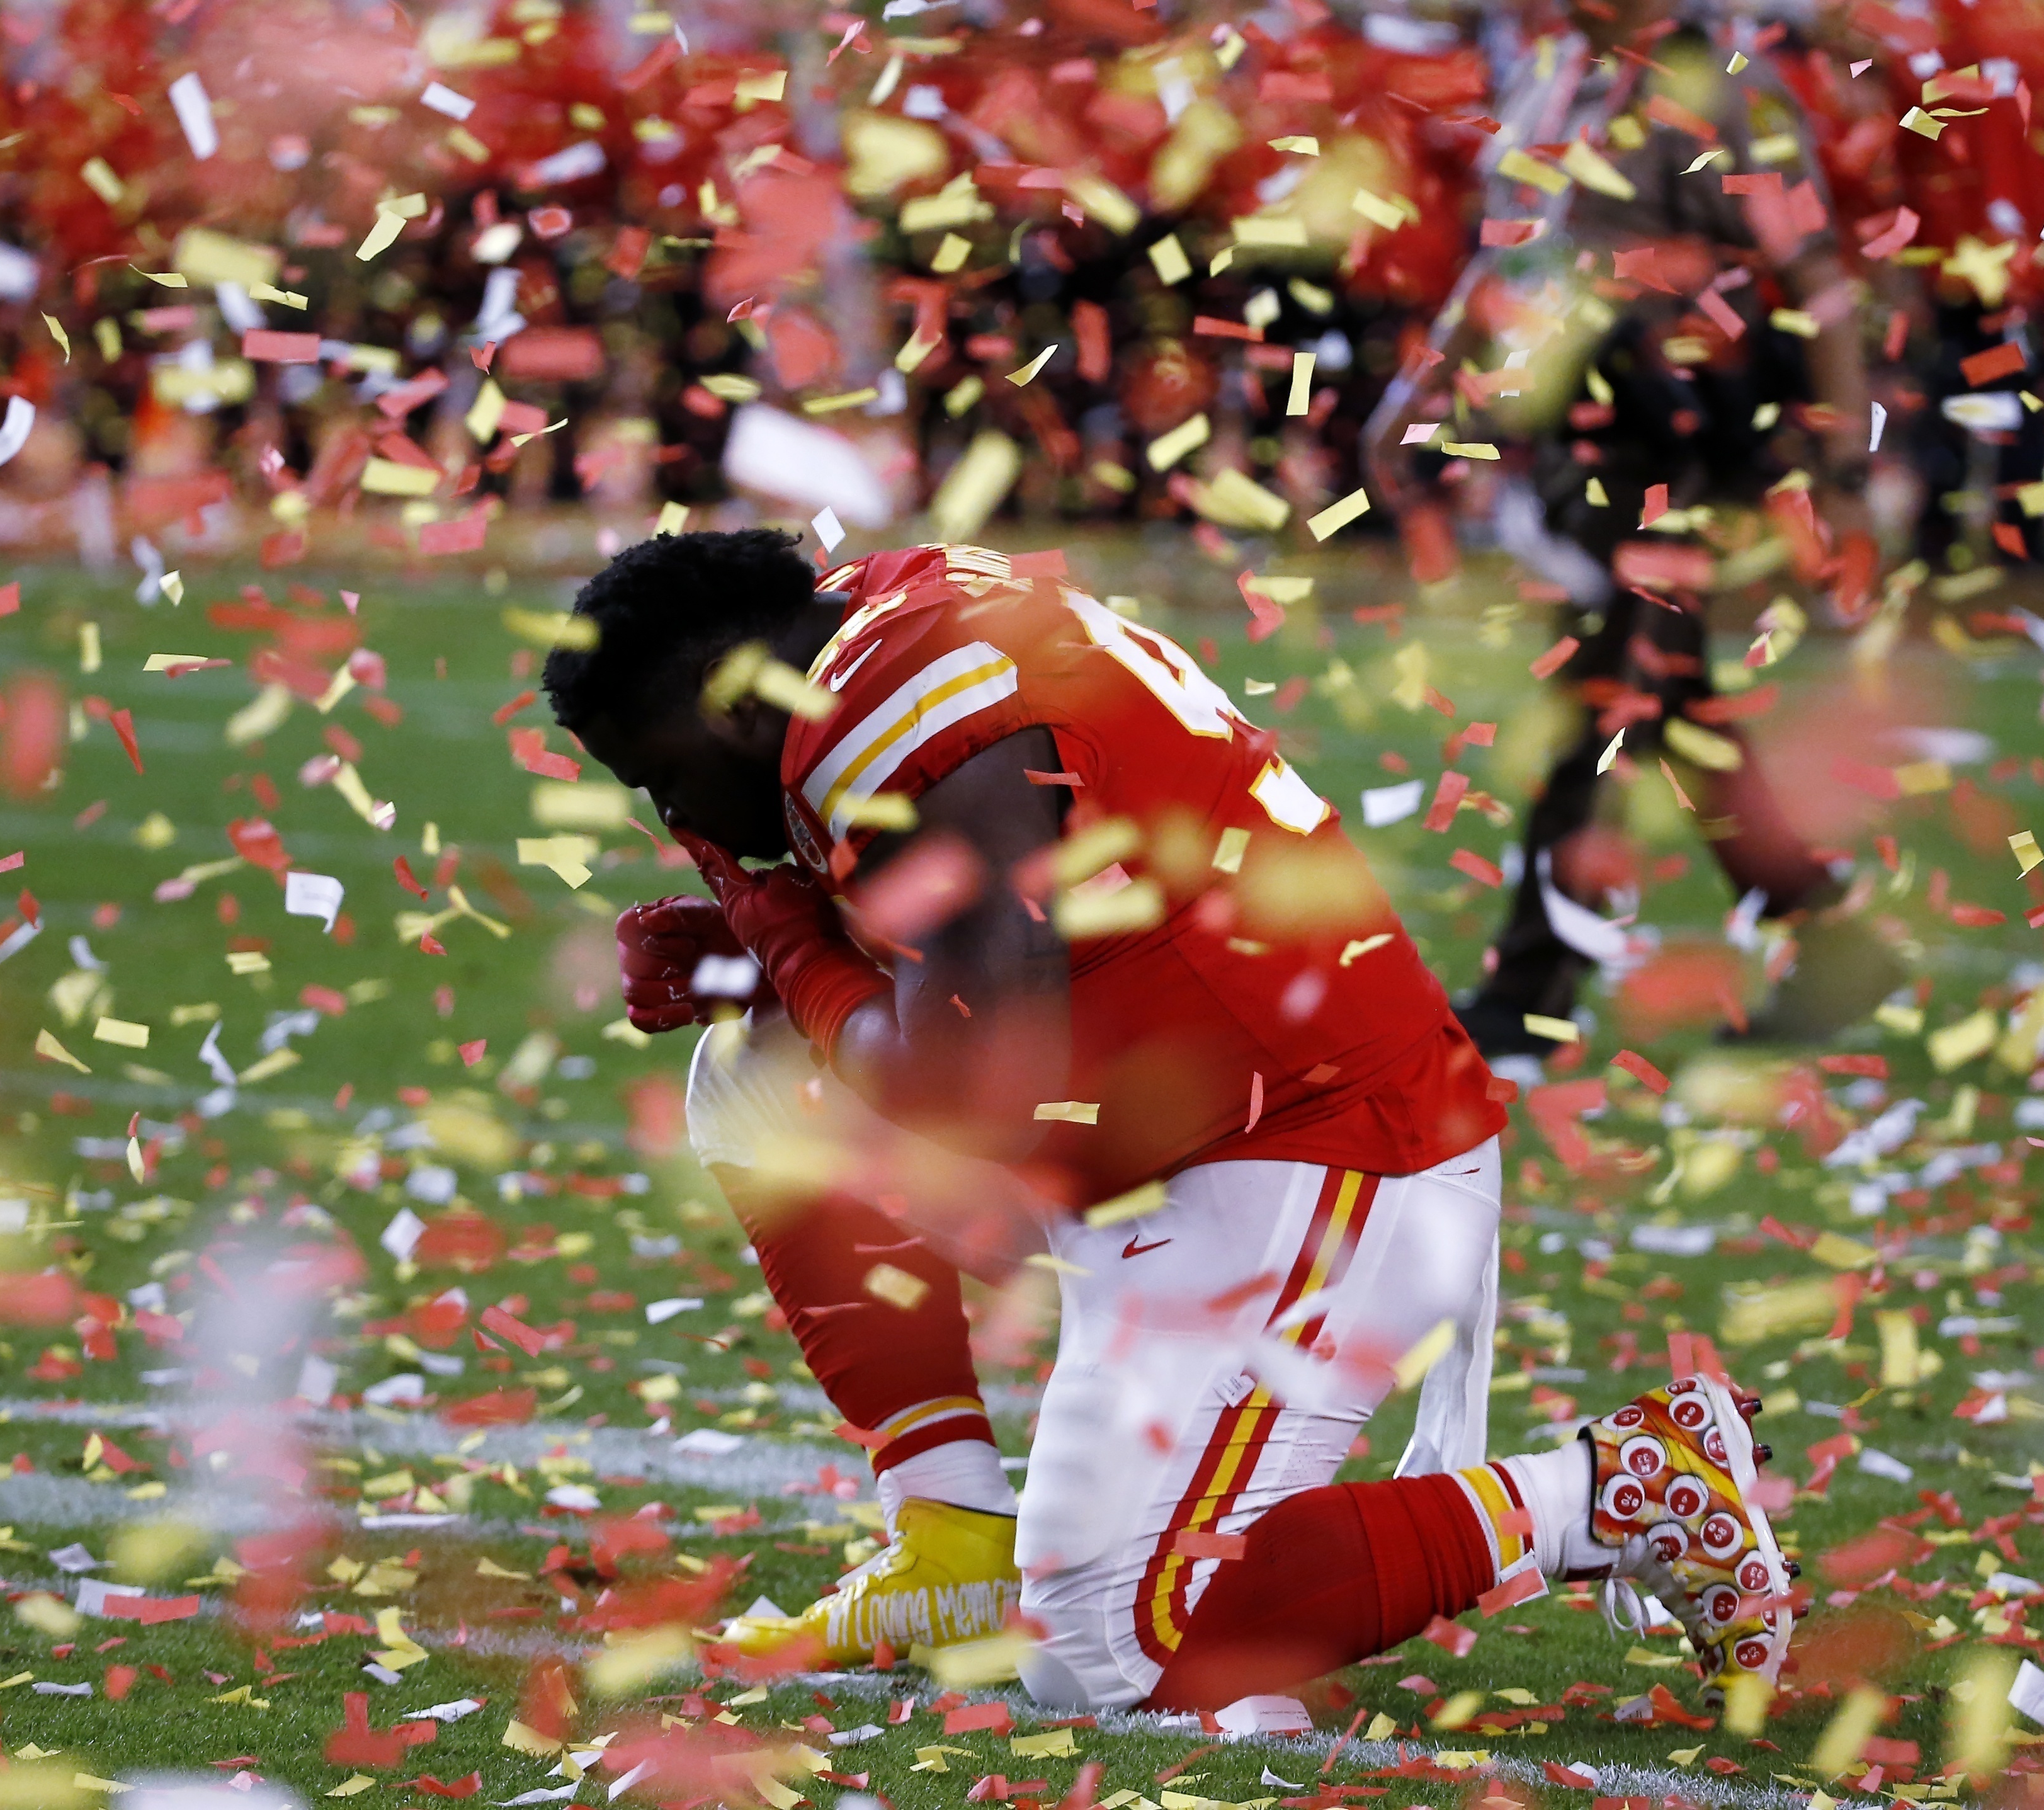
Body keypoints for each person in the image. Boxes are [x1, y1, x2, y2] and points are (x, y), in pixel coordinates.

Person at [545, 528, 1797, 1712]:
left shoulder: (893, 707)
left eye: (666, 778)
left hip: (1323, 1147)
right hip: (1172, 1132)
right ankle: (951, 1539)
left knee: (1105, 1652)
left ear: (731, 698)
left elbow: (968, 1083)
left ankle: (1610, 1493)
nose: (685, 821)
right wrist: (772, 955)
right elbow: (1004, 920)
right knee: (757, 1078)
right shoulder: (877, 627)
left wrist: (783, 941)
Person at [1363, 0, 1896, 1059]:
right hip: (1576, 451)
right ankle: (1829, 936)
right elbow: (1512, 261)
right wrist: (1421, 400)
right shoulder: (1554, 68)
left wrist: (1838, 470)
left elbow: (1819, 283)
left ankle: (1529, 993)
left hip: (1686, 439)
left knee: (1606, 697)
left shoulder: (1729, 88)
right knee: (1665, 701)